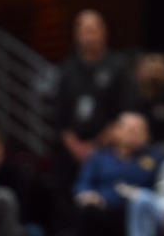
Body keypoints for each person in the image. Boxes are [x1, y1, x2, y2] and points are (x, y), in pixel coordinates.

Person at [55, 10, 130, 177]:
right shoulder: (67, 69)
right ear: (77, 35)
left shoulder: (119, 67)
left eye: (93, 31)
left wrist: (96, 146)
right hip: (72, 151)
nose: (89, 37)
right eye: (84, 31)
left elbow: (125, 113)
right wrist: (77, 147)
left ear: (104, 32)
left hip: (110, 148)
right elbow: (59, 117)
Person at [73, 112, 160, 236]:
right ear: (116, 131)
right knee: (88, 211)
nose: (134, 134)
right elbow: (83, 183)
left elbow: (156, 189)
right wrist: (87, 195)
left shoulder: (154, 158)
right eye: (130, 130)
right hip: (100, 210)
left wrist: (107, 197)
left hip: (132, 210)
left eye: (139, 130)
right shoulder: (100, 156)